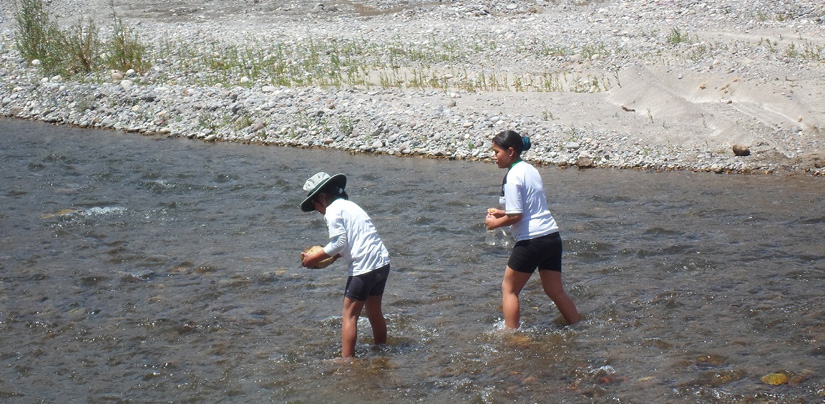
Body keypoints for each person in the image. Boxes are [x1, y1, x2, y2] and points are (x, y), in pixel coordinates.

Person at [485, 130, 581, 329]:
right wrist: (502, 212)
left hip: (532, 241)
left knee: (509, 289)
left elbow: (516, 216)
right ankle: (578, 324)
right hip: (552, 237)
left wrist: (494, 223)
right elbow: (526, 208)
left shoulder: (512, 177)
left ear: (510, 151)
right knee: (555, 291)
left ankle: (512, 338)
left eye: (496, 152)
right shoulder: (530, 170)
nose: (493, 156)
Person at [299, 172, 391, 358]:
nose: (317, 210)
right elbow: (353, 240)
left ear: (322, 197)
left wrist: (312, 259)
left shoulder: (332, 211)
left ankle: (346, 361)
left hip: (364, 267)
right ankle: (381, 349)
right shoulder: (350, 206)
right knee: (374, 313)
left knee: (349, 316)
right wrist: (332, 258)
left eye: (314, 204)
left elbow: (339, 243)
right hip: (381, 263)